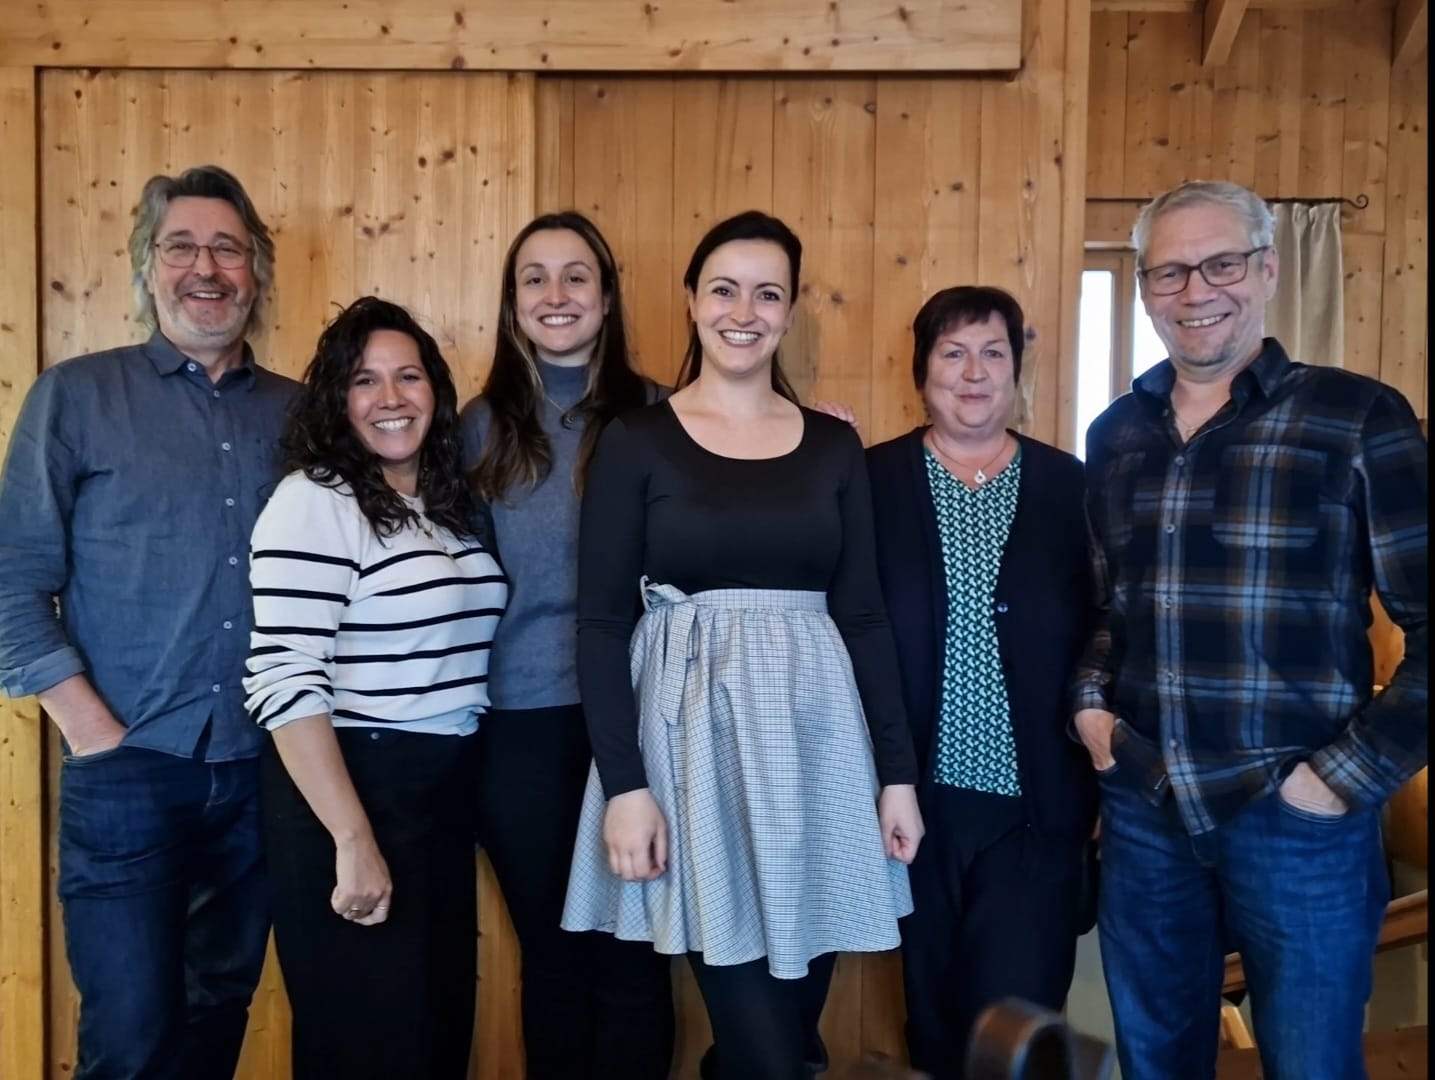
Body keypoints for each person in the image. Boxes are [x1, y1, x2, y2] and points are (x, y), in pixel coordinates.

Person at [1072, 180, 1428, 1080]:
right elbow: (1111, 611)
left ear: (1267, 270)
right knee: (1156, 1060)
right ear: (1145, 289)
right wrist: (1091, 711)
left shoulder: (1355, 417)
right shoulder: (1115, 435)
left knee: (1310, 1064)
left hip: (1297, 816)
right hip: (1146, 806)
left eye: (1220, 264)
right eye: (1169, 272)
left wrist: (1337, 783)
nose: (1195, 291)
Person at [562, 209, 925, 1080]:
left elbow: (864, 616)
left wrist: (896, 776)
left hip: (818, 755)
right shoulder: (636, 440)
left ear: (789, 310)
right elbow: (601, 623)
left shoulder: (833, 445)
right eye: (723, 289)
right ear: (691, 300)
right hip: (691, 757)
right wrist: (626, 788)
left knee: (787, 1035)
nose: (743, 311)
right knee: (769, 1050)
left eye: (767, 294)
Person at [0, 165, 292, 1080]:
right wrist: (94, 733)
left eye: (227, 249)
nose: (206, 268)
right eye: (181, 247)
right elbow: (12, 580)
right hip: (128, 771)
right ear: (147, 266)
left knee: (217, 1017)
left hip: (264, 768)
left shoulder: (301, 414)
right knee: (128, 1039)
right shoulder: (75, 396)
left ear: (255, 272)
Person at [244, 296, 508, 1079]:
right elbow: (285, 677)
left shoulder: (443, 506)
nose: (390, 397)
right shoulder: (314, 500)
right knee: (367, 1045)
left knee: (433, 1036)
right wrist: (353, 841)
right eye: (364, 380)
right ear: (337, 398)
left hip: (439, 794)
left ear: (436, 391)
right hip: (351, 790)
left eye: (408, 376)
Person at [461, 211, 676, 1079]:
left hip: (644, 720)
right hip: (523, 725)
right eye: (534, 278)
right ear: (512, 303)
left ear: (607, 295)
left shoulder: (662, 413)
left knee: (635, 957)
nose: (556, 294)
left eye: (576, 275)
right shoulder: (477, 427)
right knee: (552, 957)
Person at [866, 286, 1099, 1078]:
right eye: (953, 353)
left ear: (1015, 370)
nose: (973, 373)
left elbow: (1109, 626)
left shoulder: (1070, 488)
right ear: (921, 370)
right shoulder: (871, 481)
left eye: (992, 353)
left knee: (1018, 1027)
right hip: (909, 805)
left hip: (1035, 807)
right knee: (932, 1018)